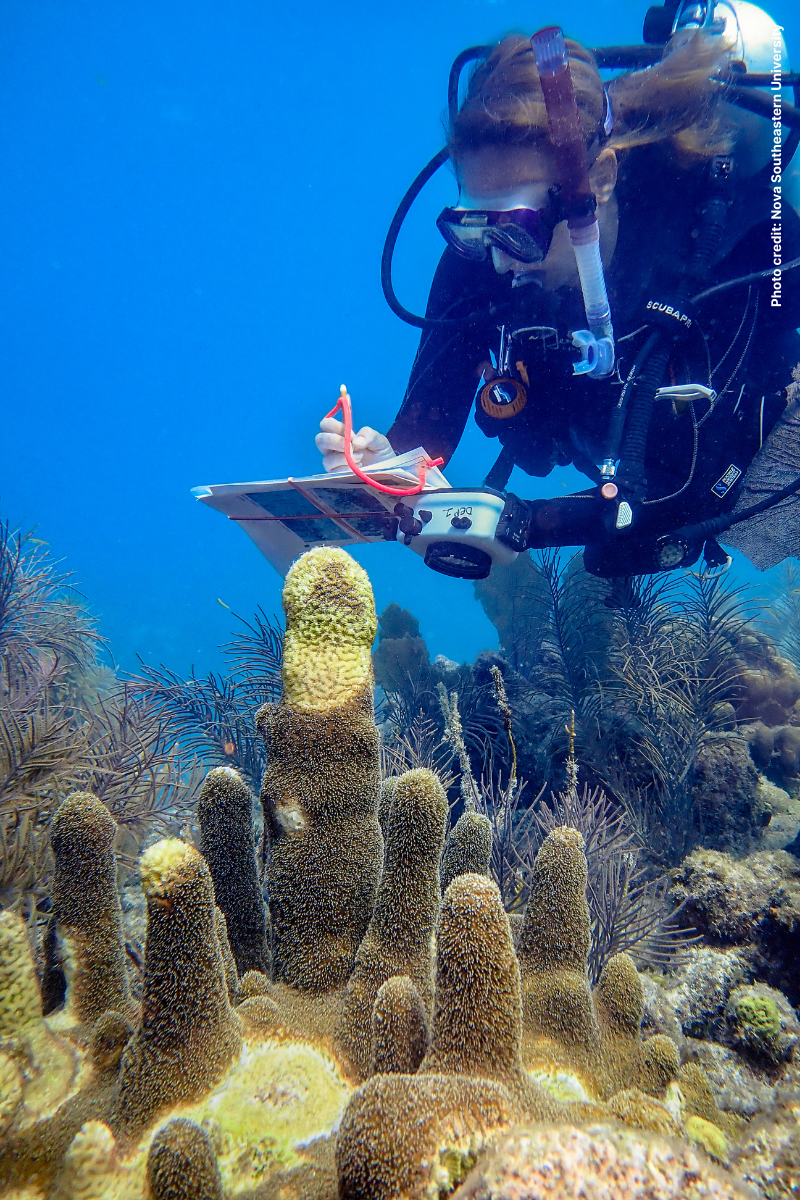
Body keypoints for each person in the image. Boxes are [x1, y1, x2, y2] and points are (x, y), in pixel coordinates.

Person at [316, 27, 800, 577]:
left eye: (519, 227)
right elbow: (425, 436)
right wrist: (381, 466)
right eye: (476, 227)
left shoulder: (704, 249)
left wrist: (524, 522)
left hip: (753, 454)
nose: (500, 260)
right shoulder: (477, 265)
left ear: (600, 180)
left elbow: (694, 490)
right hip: (608, 456)